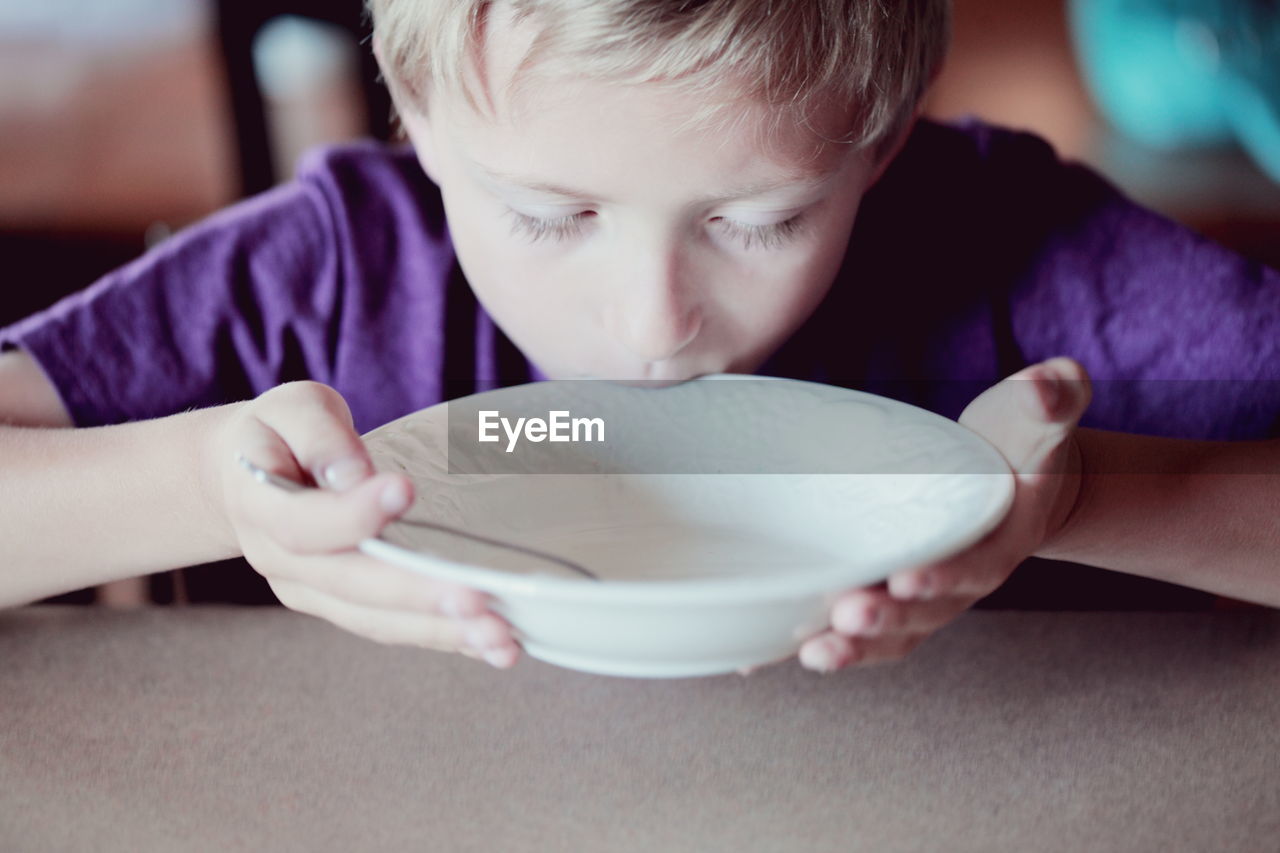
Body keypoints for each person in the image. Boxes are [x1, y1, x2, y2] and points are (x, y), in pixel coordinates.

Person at [1, 0, 1276, 672]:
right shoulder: (326, 273)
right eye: (551, 216)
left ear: (878, 142)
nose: (651, 321)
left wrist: (1081, 498)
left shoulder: (1010, 244)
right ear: (421, 118)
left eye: (761, 219)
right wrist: (209, 489)